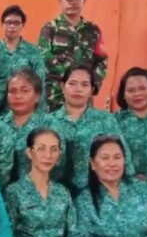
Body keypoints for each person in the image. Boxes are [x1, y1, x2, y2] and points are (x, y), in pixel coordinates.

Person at [52, 64, 132, 194]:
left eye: (84, 85)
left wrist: (131, 179)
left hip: (97, 190)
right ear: (62, 86)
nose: (78, 89)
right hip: (57, 192)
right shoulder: (49, 121)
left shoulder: (105, 119)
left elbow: (123, 152)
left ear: (91, 90)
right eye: (72, 83)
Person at [38, 0, 108, 111]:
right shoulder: (50, 28)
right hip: (55, 97)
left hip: (83, 97)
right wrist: (69, 79)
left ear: (84, 0)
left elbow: (101, 60)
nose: (72, 2)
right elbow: (44, 57)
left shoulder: (93, 30)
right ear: (60, 1)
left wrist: (92, 85)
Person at [0, 68, 65, 183]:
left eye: (24, 91)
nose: (18, 96)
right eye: (12, 91)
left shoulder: (49, 125)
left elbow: (59, 164)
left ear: (37, 96)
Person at [0, 5, 45, 113]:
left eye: (16, 23)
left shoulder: (33, 51)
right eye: (8, 22)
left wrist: (38, 114)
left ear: (23, 25)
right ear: (2, 24)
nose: (12, 26)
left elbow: (40, 84)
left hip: (26, 112)